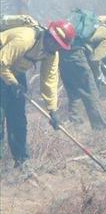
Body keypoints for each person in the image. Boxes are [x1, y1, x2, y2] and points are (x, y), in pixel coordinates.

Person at [0, 19, 75, 169]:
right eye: (56, 44)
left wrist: (52, 110)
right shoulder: (26, 38)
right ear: (49, 36)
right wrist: (13, 83)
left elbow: (50, 80)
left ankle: (21, 161)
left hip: (14, 73)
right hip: (3, 65)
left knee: (18, 118)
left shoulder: (52, 53)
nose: (57, 48)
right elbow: (1, 62)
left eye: (60, 46)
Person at [59, 10, 106, 129]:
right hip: (76, 55)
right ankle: (99, 128)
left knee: (74, 90)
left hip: (62, 52)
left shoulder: (97, 26)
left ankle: (75, 122)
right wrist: (98, 75)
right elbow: (95, 59)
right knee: (92, 91)